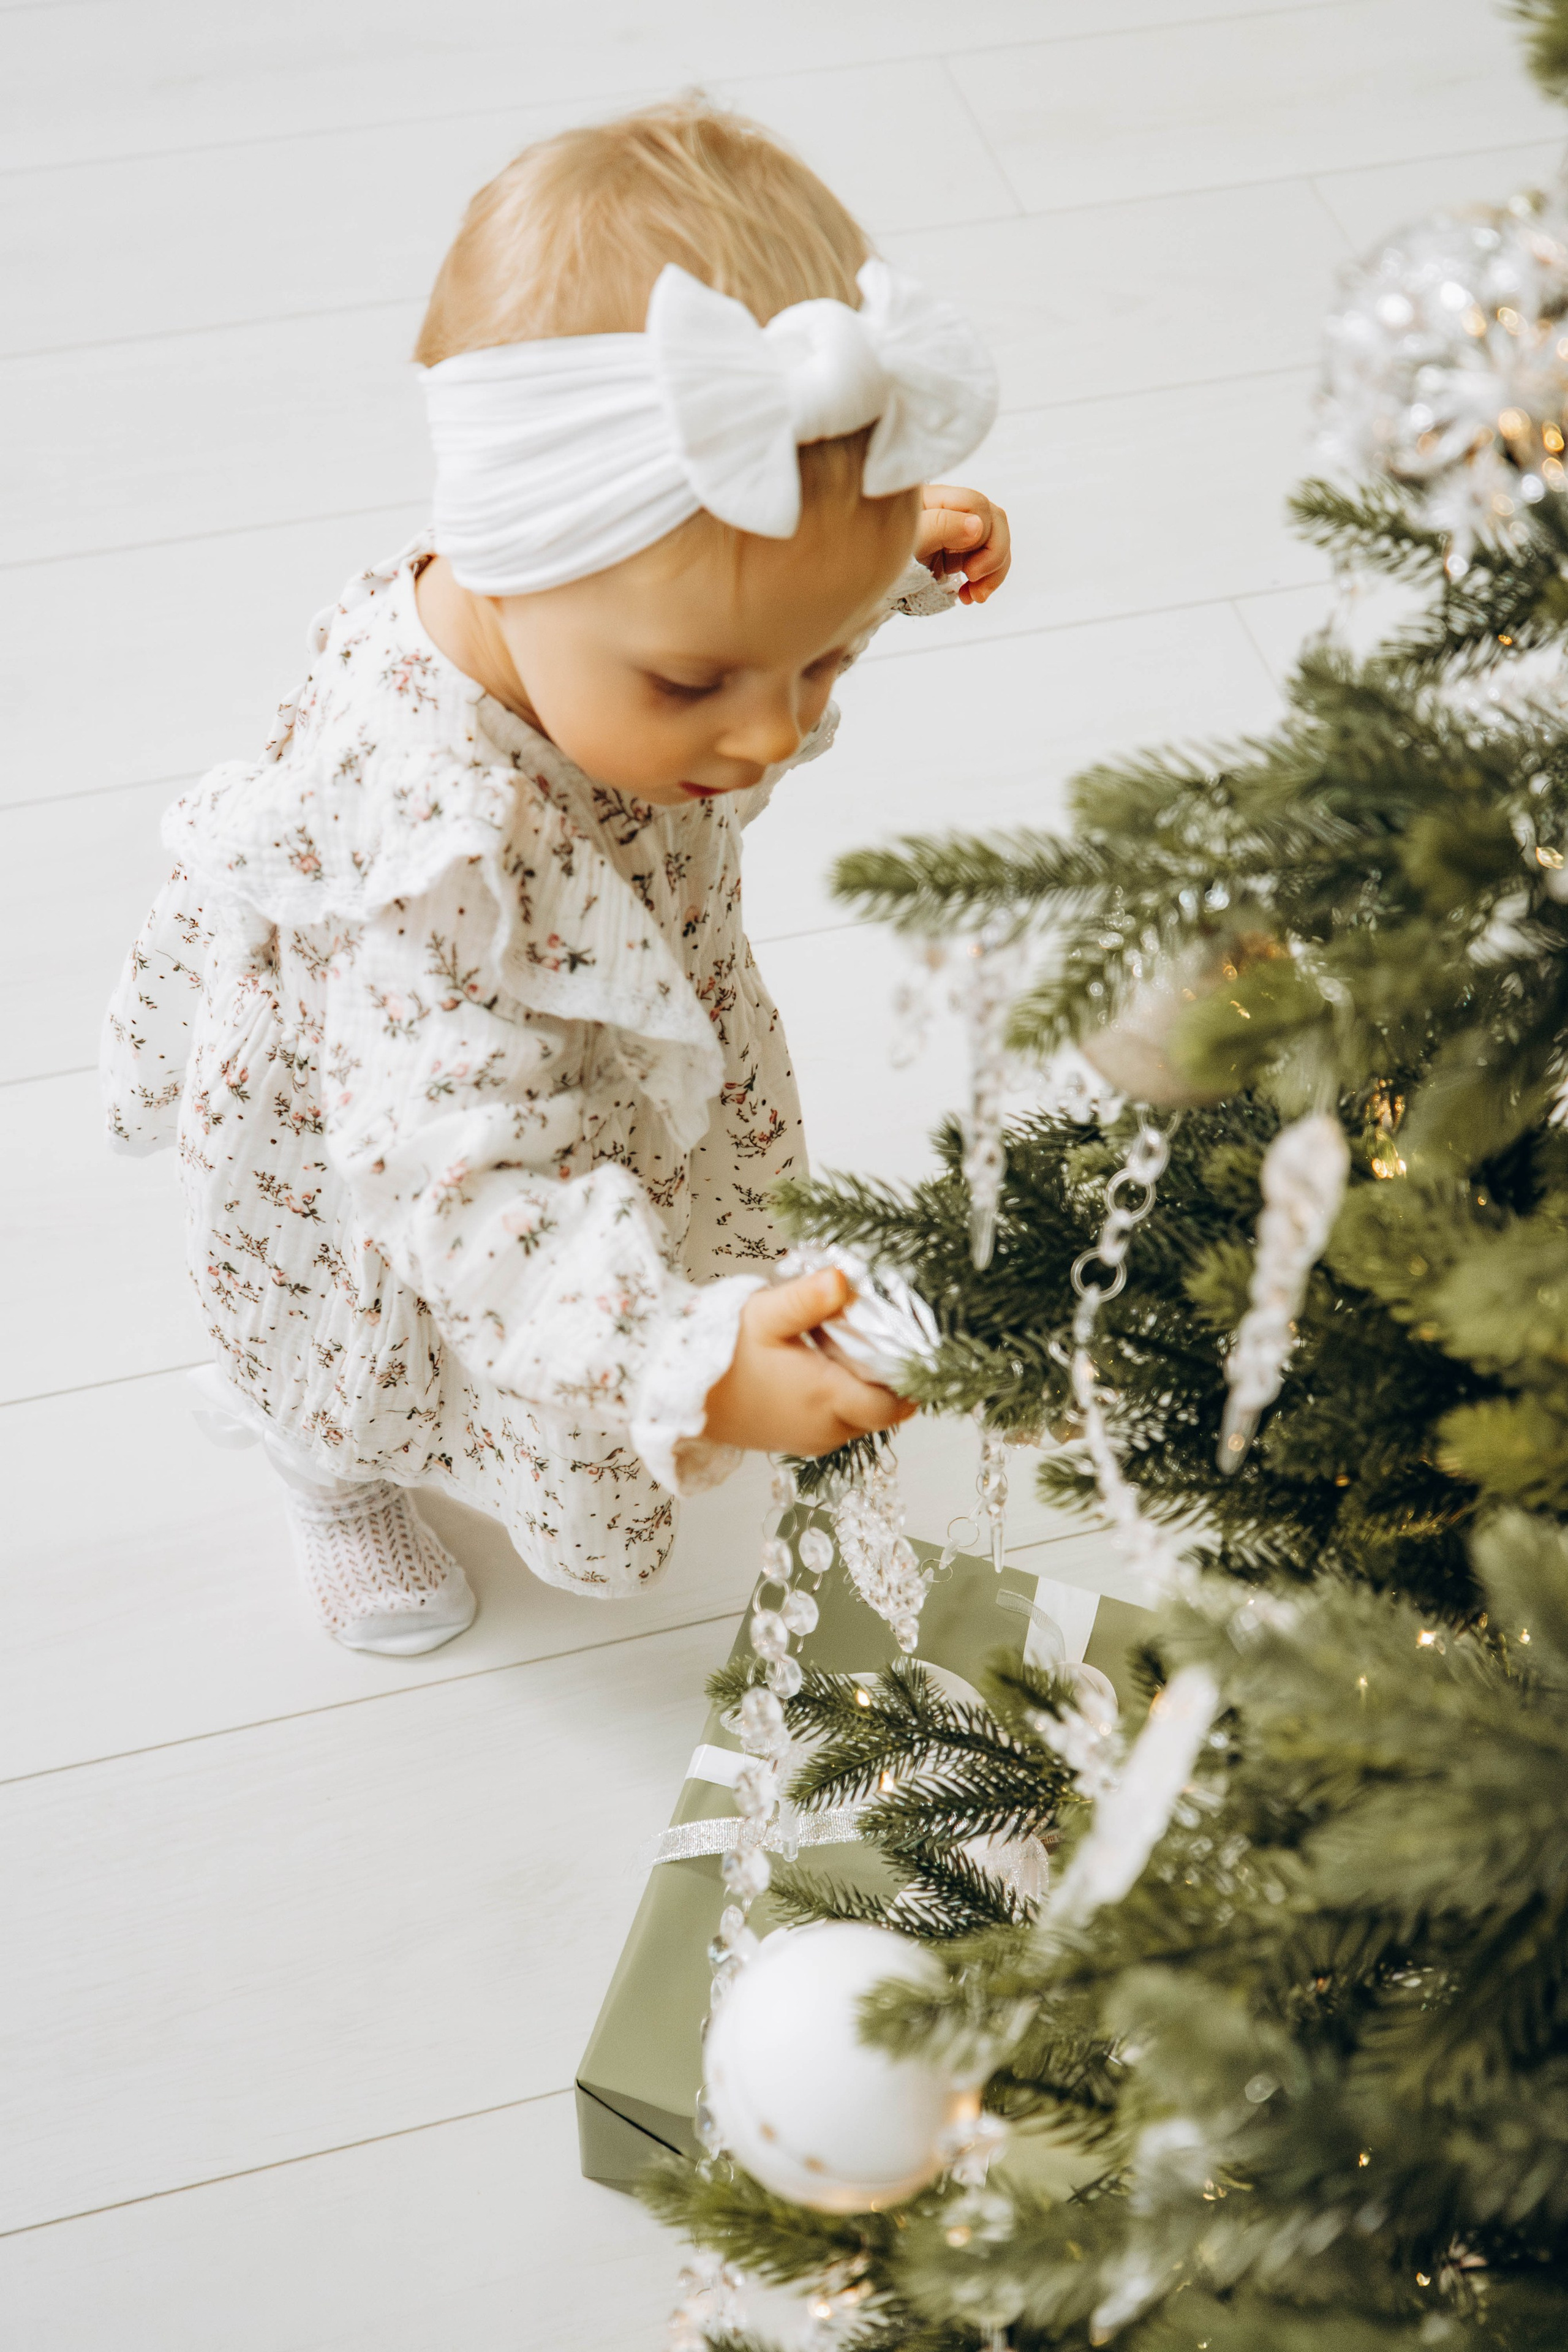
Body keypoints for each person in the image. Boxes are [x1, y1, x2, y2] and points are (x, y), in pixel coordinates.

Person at [102, 101, 1011, 1657]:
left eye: (822, 660)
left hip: (605, 1010)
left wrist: (867, 561)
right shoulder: (435, 850)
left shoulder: (569, 588)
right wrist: (679, 1361)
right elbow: (472, 1189)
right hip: (409, 1134)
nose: (768, 734)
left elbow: (710, 591)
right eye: (699, 681)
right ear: (510, 559)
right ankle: (330, 1474)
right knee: (356, 1344)